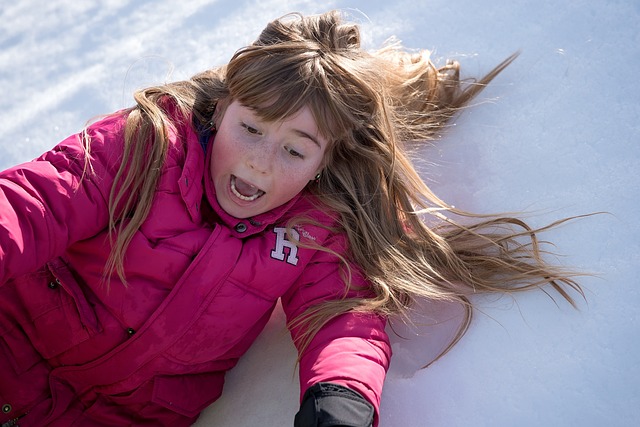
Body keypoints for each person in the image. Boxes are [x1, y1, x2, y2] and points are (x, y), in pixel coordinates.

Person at [0, 9, 583, 427]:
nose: (259, 158)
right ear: (222, 104)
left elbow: (344, 318)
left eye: (295, 149)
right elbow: (30, 205)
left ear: (327, 159)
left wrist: (342, 401)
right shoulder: (145, 146)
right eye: (250, 128)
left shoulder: (318, 226)